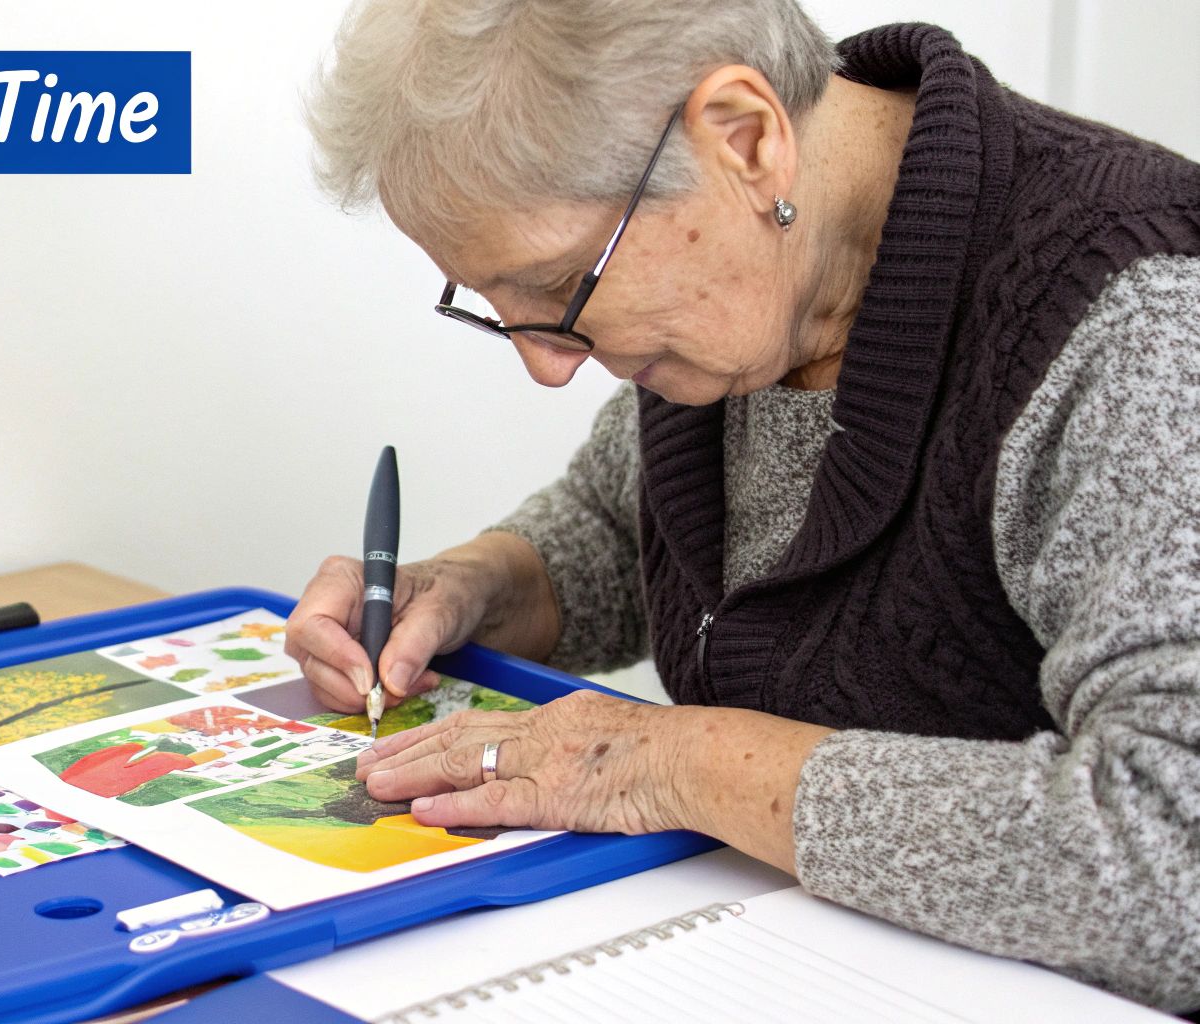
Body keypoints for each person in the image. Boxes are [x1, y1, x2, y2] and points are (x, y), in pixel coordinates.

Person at [286, 0, 1200, 1010]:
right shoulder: (760, 285)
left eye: (558, 287)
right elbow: (622, 523)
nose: (546, 364)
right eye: (489, 304)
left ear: (745, 139)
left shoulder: (1142, 321)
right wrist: (471, 588)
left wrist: (676, 764)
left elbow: (1174, 856)